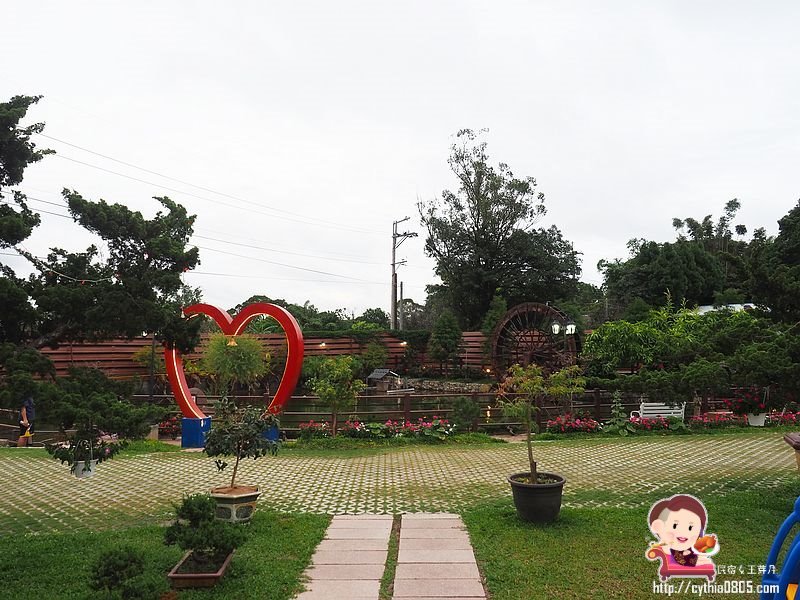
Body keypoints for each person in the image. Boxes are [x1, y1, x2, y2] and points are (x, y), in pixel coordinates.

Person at [648, 494, 715, 567]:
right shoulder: (668, 544)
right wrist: (693, 561)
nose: (684, 532)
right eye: (675, 525)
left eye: (690, 528)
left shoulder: (688, 543)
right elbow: (678, 557)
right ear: (658, 527)